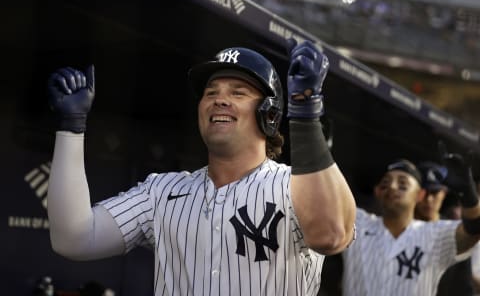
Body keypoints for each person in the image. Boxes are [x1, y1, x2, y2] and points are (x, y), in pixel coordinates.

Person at [46, 39, 356, 296]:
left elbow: (331, 235)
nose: (220, 100)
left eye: (238, 92)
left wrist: (305, 109)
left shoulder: (299, 185)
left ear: (269, 115)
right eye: (211, 92)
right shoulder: (161, 191)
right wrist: (72, 128)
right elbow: (73, 238)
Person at [342, 157, 480, 295]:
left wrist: (469, 195)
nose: (392, 186)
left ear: (419, 195)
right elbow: (329, 202)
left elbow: (473, 231)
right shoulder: (359, 223)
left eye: (403, 184)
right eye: (385, 184)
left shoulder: (434, 234)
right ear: (377, 192)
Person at [414, 161, 475, 296]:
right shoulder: (399, 230)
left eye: (435, 192)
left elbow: (462, 286)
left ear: (444, 193)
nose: (429, 199)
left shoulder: (453, 234)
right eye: (424, 193)